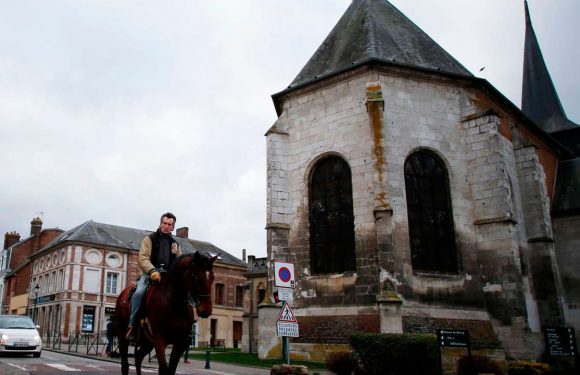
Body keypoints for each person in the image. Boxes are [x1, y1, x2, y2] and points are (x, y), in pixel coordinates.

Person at [126, 212, 182, 339]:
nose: (166, 226)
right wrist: (152, 271)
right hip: (150, 273)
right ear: (160, 223)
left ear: (173, 227)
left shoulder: (175, 244)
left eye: (169, 224)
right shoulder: (149, 239)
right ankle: (132, 324)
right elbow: (143, 258)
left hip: (167, 275)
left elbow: (178, 262)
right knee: (139, 293)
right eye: (164, 223)